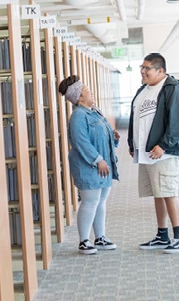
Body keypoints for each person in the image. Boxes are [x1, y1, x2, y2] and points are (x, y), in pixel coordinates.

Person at [59, 75, 120, 255]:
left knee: (100, 201)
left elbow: (104, 133)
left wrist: (114, 138)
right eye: (87, 91)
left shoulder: (95, 111)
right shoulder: (78, 116)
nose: (91, 92)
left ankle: (100, 237)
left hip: (104, 165)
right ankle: (84, 240)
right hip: (89, 166)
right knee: (90, 201)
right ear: (79, 97)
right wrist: (98, 159)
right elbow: (81, 142)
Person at [127, 52, 179, 254]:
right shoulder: (143, 89)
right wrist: (133, 144)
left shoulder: (171, 89)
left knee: (168, 192)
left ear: (160, 70)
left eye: (147, 68)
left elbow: (175, 122)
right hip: (146, 153)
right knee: (158, 193)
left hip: (163, 153)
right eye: (142, 67)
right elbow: (136, 117)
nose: (142, 71)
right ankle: (162, 235)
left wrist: (164, 145)